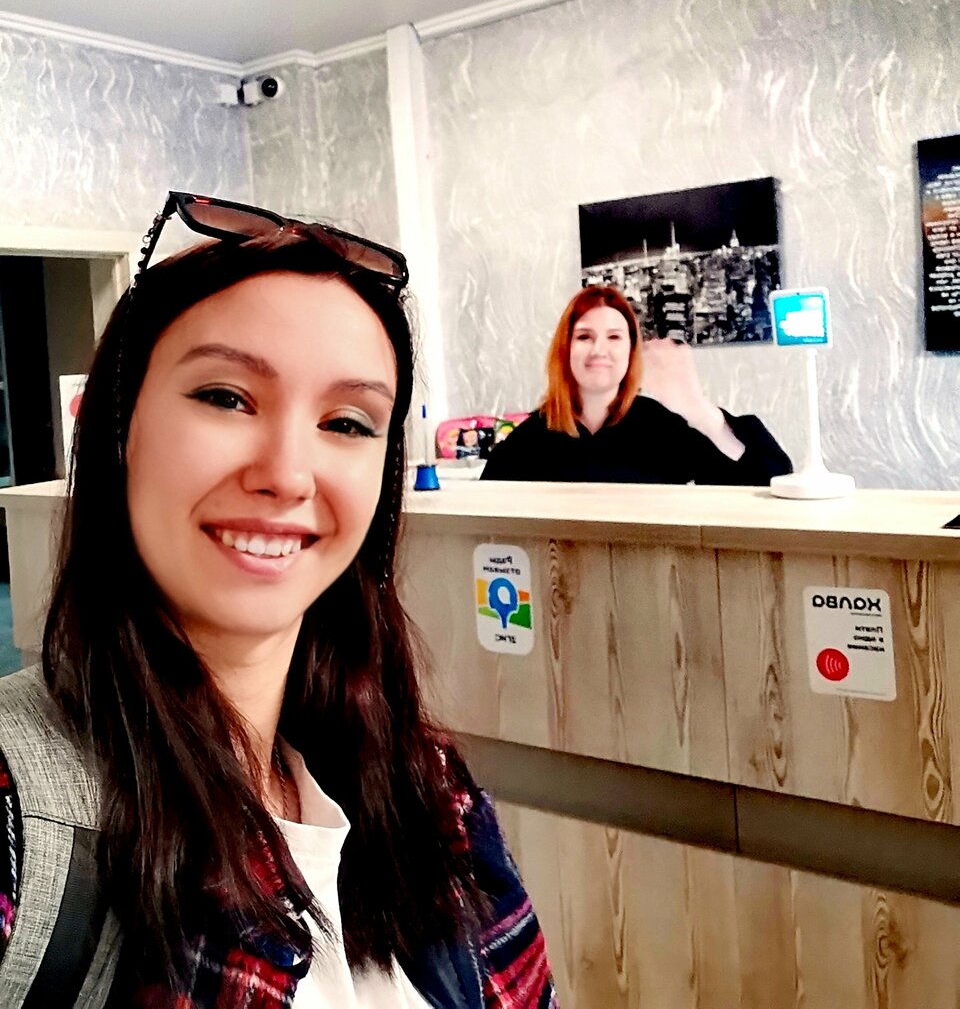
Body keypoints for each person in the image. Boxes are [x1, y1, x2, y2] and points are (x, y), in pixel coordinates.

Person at [0, 191, 556, 1008]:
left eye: (349, 422)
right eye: (226, 397)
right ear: (118, 429)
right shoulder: (19, 815)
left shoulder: (432, 795)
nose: (289, 475)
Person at [482, 285, 791, 484]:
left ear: (631, 351)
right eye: (584, 336)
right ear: (565, 350)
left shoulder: (663, 426)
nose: (599, 350)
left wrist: (699, 410)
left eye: (614, 337)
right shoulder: (530, 439)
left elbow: (766, 484)